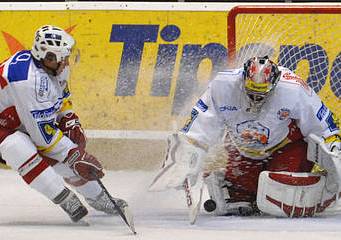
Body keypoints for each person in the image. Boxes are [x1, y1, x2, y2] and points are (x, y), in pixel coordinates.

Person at [150, 56, 341, 217]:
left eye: (262, 94)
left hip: (287, 147)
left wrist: (333, 152)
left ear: (274, 84)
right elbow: (201, 123)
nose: (256, 99)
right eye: (251, 93)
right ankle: (247, 186)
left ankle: (325, 195)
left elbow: (322, 124)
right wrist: (187, 154)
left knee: (281, 194)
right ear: (242, 80)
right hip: (243, 149)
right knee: (238, 199)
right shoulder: (222, 86)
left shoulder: (293, 88)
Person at [0, 25, 128, 222]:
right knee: (17, 146)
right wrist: (74, 155)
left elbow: (60, 98)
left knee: (64, 150)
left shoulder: (55, 67)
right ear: (49, 57)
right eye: (63, 56)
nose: (67, 60)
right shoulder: (28, 81)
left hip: (18, 115)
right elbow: (44, 139)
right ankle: (63, 198)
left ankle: (98, 197)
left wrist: (69, 118)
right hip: (7, 124)